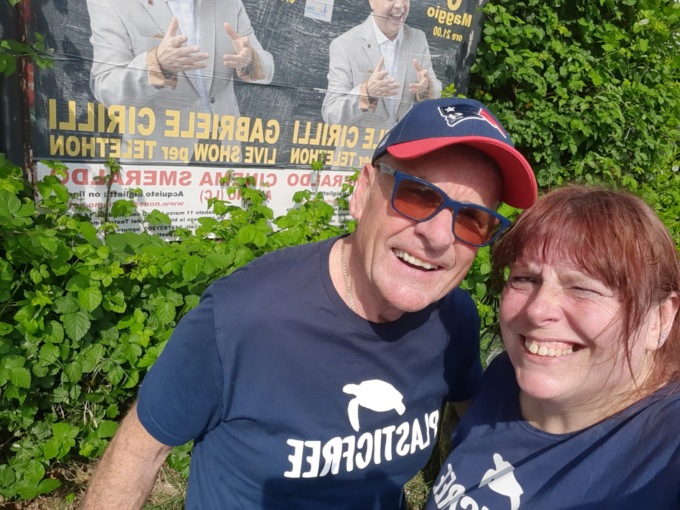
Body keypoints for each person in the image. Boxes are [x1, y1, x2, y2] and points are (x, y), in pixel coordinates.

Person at [81, 97, 537, 509]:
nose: (438, 237)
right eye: (417, 195)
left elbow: (476, 424)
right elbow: (140, 451)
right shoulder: (243, 316)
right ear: (363, 191)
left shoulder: (452, 318)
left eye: (473, 219)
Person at [426, 186, 680, 509]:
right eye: (525, 279)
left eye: (583, 288)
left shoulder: (665, 454)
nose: (536, 310)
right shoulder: (505, 375)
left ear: (659, 318)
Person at [87, 0, 274, 163]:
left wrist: (251, 60)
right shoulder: (111, 3)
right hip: (157, 164)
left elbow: (268, 69)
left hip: (225, 153)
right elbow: (106, 87)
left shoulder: (228, 2)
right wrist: (156, 64)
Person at [322, 0, 442, 167]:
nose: (399, 6)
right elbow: (332, 114)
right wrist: (366, 92)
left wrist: (426, 87)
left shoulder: (418, 39)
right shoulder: (344, 45)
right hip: (357, 167)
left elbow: (435, 92)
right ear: (372, 2)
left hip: (402, 166)